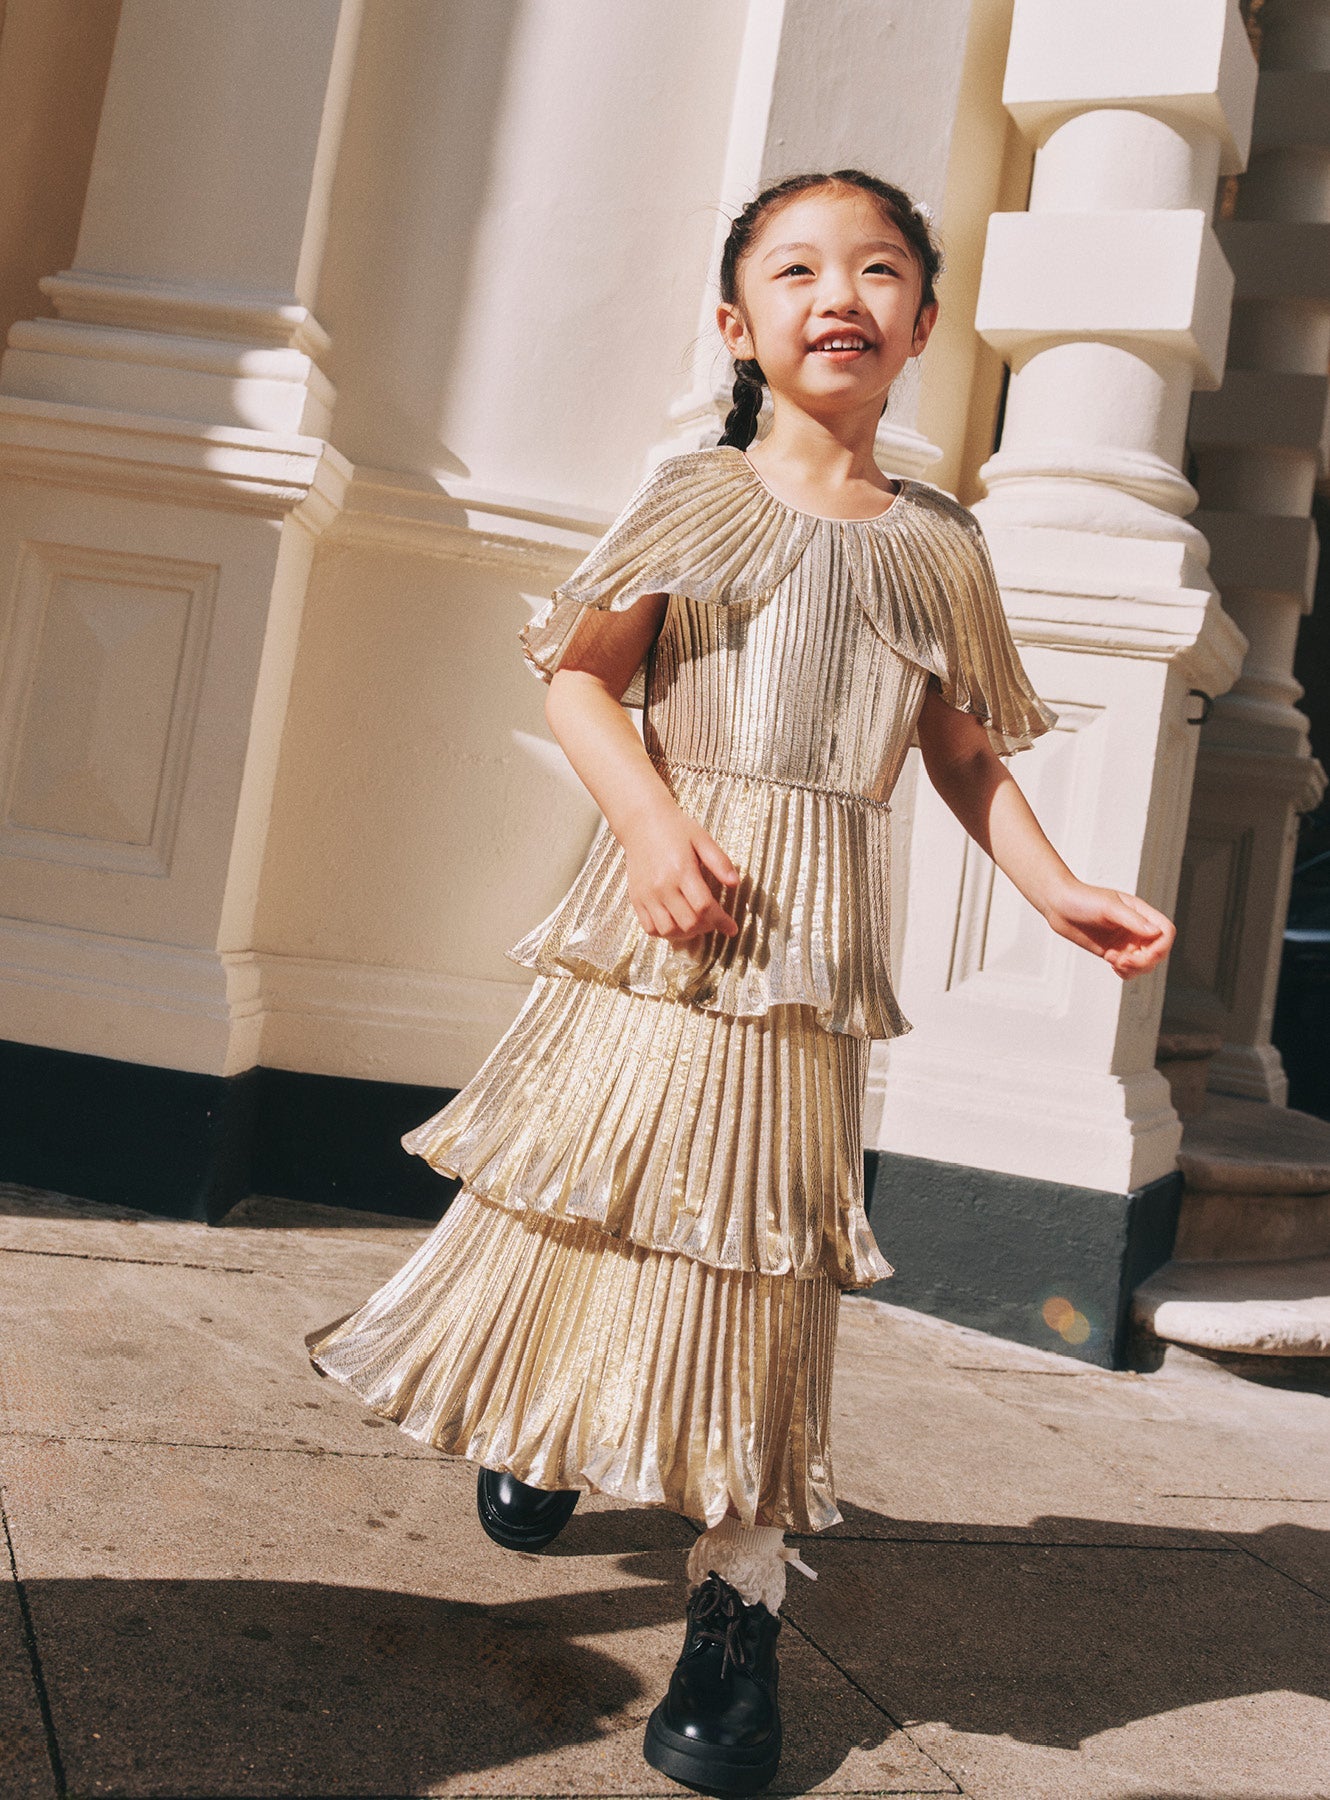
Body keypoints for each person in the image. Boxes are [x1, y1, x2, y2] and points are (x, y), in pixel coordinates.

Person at [304, 167, 1175, 1794]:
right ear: (738, 321)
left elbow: (963, 753)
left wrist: (1058, 889)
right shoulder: (689, 496)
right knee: (595, 1188)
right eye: (795, 268)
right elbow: (582, 681)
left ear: (920, 323)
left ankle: (738, 1590)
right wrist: (648, 822)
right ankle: (550, 1416)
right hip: (660, 913)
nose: (836, 291)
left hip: (811, 949)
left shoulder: (938, 546)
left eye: (877, 269)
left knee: (760, 1252)